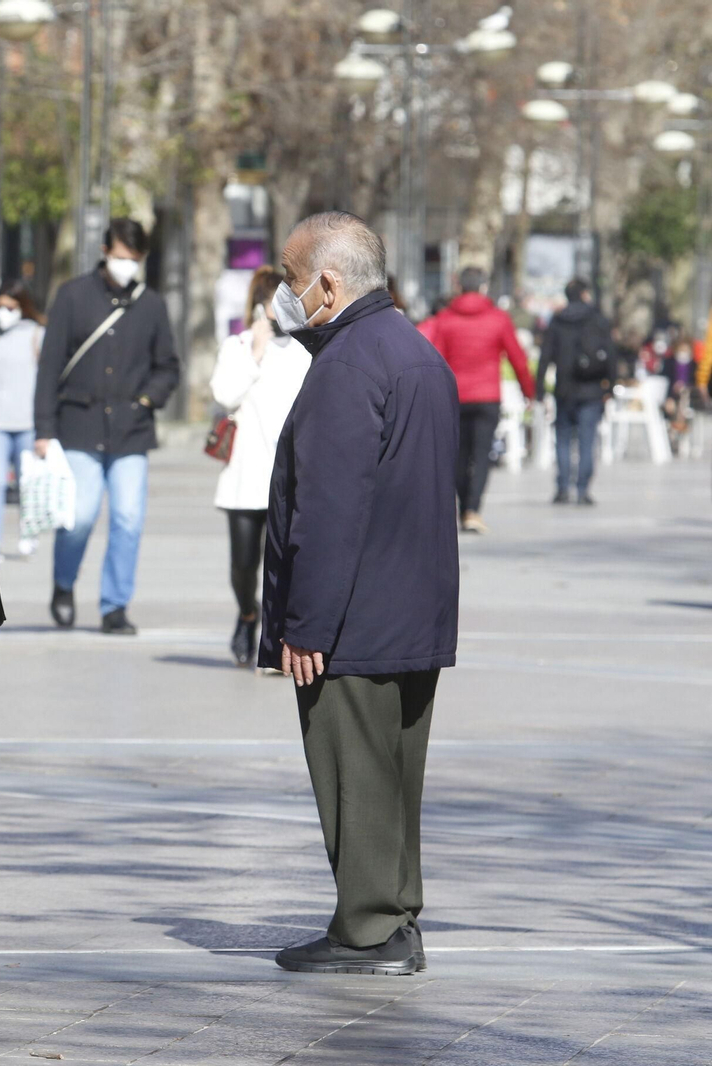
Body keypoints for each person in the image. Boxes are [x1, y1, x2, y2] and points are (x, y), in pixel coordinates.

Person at [260, 212, 459, 976]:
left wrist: (305, 624)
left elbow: (329, 508)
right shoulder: (412, 350)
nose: (285, 292)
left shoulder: (348, 364)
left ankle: (369, 929)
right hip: (411, 604)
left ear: (328, 284)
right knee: (393, 776)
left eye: (289, 277)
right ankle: (394, 913)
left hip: (355, 613)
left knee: (355, 775)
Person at [33, 218, 180, 636]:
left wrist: (148, 399)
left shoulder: (152, 304)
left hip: (131, 431)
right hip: (79, 424)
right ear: (103, 252)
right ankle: (63, 584)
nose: (125, 265)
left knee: (129, 519)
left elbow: (168, 366)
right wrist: (43, 429)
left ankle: (115, 605)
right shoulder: (72, 296)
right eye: (119, 256)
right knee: (78, 518)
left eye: (133, 259)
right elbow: (49, 367)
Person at [209, 267, 310, 667]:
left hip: (291, 479)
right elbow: (224, 394)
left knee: (285, 565)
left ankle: (278, 639)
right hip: (244, 477)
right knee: (243, 566)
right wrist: (255, 352)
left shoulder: (303, 350)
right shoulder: (238, 346)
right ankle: (247, 614)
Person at [422, 267, 534, 535]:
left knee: (458, 454)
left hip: (454, 396)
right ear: (484, 287)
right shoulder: (499, 319)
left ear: (460, 286)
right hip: (487, 397)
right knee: (482, 455)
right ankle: (473, 510)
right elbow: (517, 357)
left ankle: (463, 509)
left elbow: (432, 358)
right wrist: (529, 391)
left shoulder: (445, 319)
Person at [0, 280, 46, 556]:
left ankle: (28, 535)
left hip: (26, 420)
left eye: (10, 306)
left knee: (28, 481)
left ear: (22, 306)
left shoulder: (37, 334)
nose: (3, 311)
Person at [536, 278, 614, 506]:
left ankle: (562, 487)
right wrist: (610, 385)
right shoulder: (598, 319)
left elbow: (545, 356)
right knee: (587, 439)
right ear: (584, 294)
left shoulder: (558, 321)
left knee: (562, 438)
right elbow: (610, 354)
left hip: (564, 389)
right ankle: (582, 489)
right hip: (591, 389)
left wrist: (539, 387)